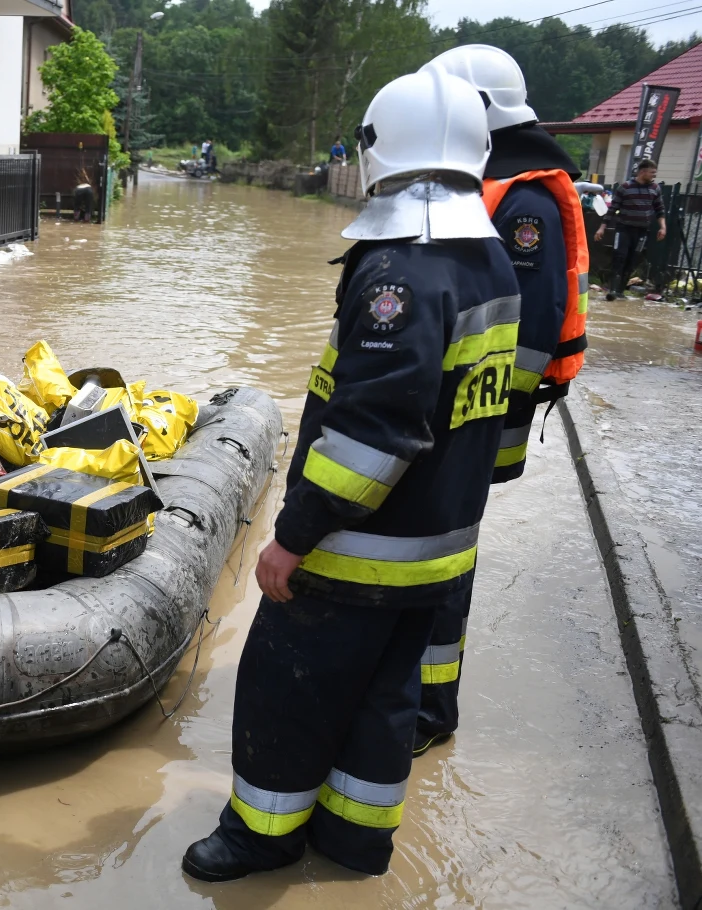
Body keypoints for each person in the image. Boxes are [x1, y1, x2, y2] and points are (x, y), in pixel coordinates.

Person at [182, 65, 520, 882]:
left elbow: (375, 433)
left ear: (378, 150)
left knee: (286, 687)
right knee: (382, 701)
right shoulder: (491, 263)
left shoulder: (400, 275)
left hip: (360, 552)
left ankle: (262, 838)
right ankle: (354, 842)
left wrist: (292, 538)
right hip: (437, 554)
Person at [417, 44, 589, 756]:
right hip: (450, 415)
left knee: (443, 561)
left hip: (474, 420)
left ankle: (429, 714)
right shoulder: (483, 181)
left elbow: (532, 324)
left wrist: (472, 409)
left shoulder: (523, 200)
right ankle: (411, 697)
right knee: (423, 558)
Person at [595, 158, 666, 300]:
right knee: (619, 257)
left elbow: (660, 209)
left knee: (632, 260)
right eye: (652, 172)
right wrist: (602, 228)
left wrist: (663, 227)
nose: (654, 175)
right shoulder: (626, 187)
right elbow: (612, 209)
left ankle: (620, 291)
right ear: (643, 172)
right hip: (624, 229)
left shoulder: (655, 189)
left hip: (642, 231)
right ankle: (613, 290)